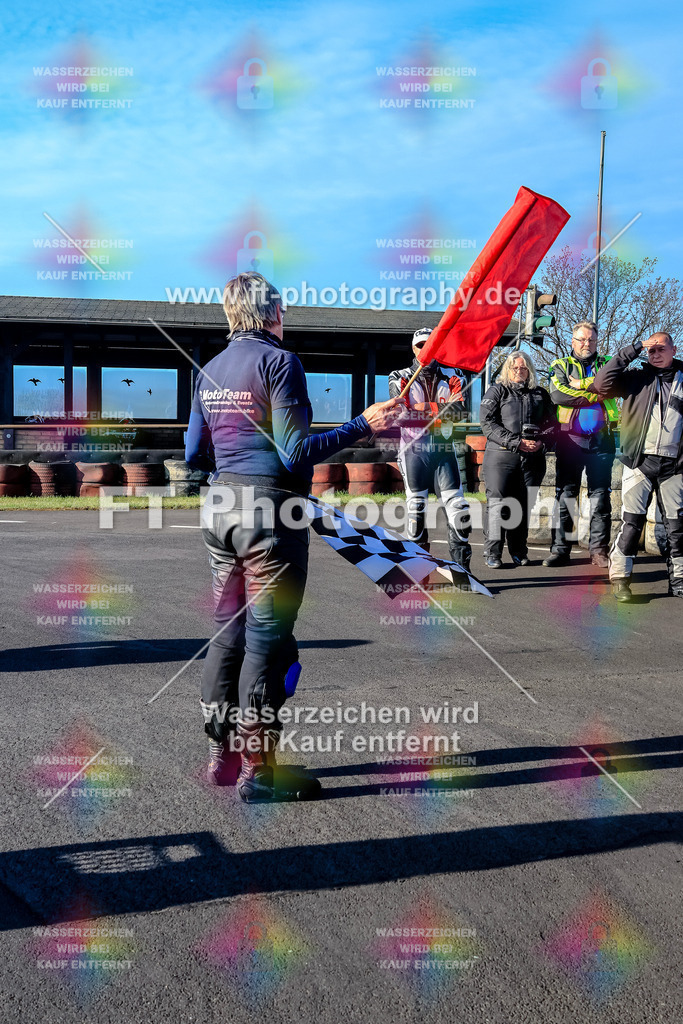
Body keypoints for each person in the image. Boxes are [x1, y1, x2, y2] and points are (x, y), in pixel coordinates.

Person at [185, 272, 400, 800]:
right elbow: (295, 454)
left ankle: (222, 754)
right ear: (272, 313)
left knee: (226, 631)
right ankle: (260, 770)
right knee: (267, 639)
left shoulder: (208, 371)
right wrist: (363, 424)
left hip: (219, 510)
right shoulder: (280, 362)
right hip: (269, 517)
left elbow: (193, 454)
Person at [589, 331, 683, 602]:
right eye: (651, 350)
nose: (655, 354)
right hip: (639, 462)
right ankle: (620, 580)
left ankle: (678, 582)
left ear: (673, 349)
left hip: (674, 465)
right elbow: (601, 383)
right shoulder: (635, 377)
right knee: (632, 523)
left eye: (661, 349)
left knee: (677, 527)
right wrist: (634, 348)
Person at [387, 327, 472, 576]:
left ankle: (462, 571)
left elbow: (461, 412)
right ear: (413, 349)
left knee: (459, 511)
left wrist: (424, 407)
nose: (427, 349)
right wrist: (441, 409)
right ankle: (419, 572)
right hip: (413, 451)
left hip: (444, 449)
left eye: (432, 344)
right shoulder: (399, 376)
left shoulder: (454, 375)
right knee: (415, 514)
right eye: (421, 345)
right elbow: (401, 415)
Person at [544, 321, 619, 568]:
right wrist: (593, 393)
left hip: (602, 440)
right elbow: (558, 395)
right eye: (582, 339)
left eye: (591, 340)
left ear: (597, 341)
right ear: (572, 341)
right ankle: (560, 550)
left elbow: (613, 386)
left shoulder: (608, 363)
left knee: (600, 497)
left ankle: (598, 551)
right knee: (565, 495)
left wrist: (580, 386)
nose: (587, 344)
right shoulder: (560, 365)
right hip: (569, 440)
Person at [480, 350, 556, 568]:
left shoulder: (541, 393)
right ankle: (492, 553)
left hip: (532, 459)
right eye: (515, 367)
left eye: (523, 368)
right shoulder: (497, 391)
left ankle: (518, 551)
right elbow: (487, 423)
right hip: (500, 457)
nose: (520, 371)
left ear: (529, 370)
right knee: (497, 504)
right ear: (508, 369)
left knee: (522, 505)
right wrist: (515, 442)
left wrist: (542, 441)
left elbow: (553, 425)